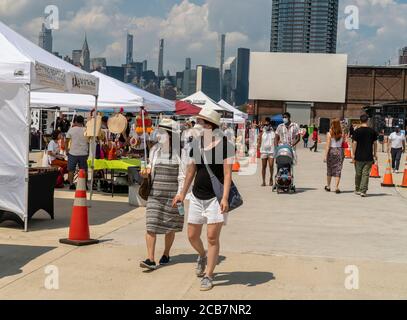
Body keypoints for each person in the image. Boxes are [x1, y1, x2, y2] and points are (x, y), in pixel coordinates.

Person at [173, 107, 234, 291]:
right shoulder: (197, 144)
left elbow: (227, 174)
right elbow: (191, 171)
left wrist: (225, 198)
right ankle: (202, 255)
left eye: (200, 122)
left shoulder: (226, 145)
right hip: (197, 196)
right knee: (192, 235)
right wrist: (182, 193)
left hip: (215, 198)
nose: (196, 125)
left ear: (210, 125)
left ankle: (208, 275)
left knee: (212, 237)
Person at [139, 119, 186, 271]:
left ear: (171, 135)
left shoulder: (181, 153)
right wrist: (145, 174)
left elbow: (182, 176)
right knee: (150, 225)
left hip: (172, 197)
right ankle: (150, 259)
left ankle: (166, 253)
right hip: (155, 195)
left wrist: (180, 194)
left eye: (163, 133)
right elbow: (149, 168)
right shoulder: (155, 150)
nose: (159, 135)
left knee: (169, 227)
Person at [352, 114, 378, 198]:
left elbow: (354, 143)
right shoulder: (372, 131)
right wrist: (375, 154)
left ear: (360, 121)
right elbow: (375, 143)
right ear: (367, 121)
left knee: (358, 173)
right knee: (365, 174)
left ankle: (357, 189)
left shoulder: (357, 131)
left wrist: (353, 154)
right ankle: (363, 191)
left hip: (358, 156)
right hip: (368, 156)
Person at [65, 116, 90, 190]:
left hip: (73, 152)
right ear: (83, 122)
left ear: (75, 121)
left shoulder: (71, 130)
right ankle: (84, 185)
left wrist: (66, 150)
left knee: (71, 169)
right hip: (83, 152)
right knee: (84, 169)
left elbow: (67, 141)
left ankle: (71, 184)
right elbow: (88, 142)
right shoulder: (86, 130)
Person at [324, 119, 344, 194]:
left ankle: (328, 186)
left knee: (330, 168)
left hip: (331, 151)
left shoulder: (329, 133)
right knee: (338, 169)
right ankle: (336, 187)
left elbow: (327, 145)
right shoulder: (342, 133)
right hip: (340, 151)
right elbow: (344, 142)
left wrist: (325, 156)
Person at [258, 117, 275, 187]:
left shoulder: (273, 132)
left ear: (270, 125)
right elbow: (259, 141)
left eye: (267, 124)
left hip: (271, 151)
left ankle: (271, 178)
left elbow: (276, 139)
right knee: (263, 166)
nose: (266, 126)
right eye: (265, 124)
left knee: (271, 165)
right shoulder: (262, 132)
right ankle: (263, 181)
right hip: (264, 151)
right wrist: (258, 146)